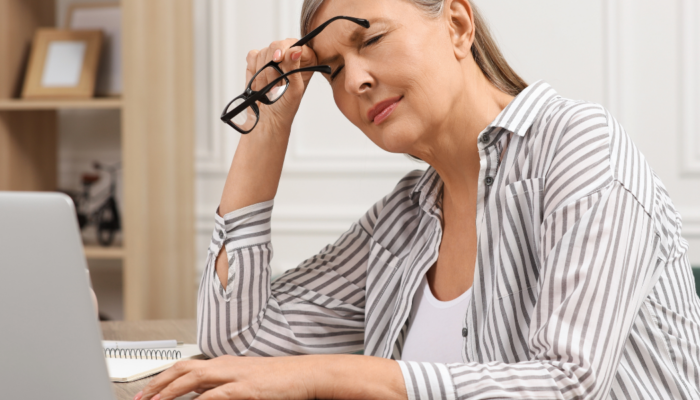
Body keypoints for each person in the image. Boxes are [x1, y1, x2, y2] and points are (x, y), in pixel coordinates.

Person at [137, 0, 700, 399]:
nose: (354, 80)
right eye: (331, 70)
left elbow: (567, 384)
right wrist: (268, 126)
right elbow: (238, 339)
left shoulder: (580, 148)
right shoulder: (404, 221)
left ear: (457, 24)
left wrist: (329, 376)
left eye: (371, 39)